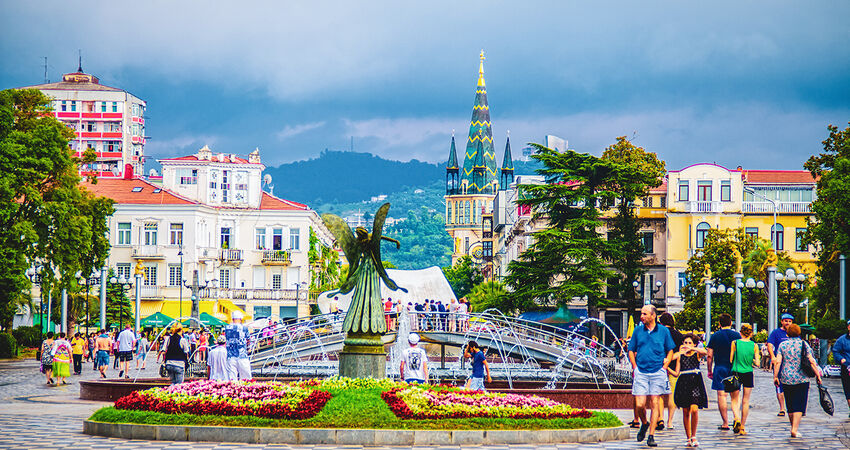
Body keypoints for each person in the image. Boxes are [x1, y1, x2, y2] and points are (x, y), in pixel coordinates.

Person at [627, 305, 675, 448]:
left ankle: (651, 435)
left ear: (653, 316)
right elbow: (631, 350)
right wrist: (634, 367)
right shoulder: (637, 331)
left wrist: (665, 365)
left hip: (657, 371)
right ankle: (644, 423)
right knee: (640, 404)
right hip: (641, 371)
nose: (642, 316)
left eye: (645, 314)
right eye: (641, 313)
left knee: (655, 402)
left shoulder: (664, 331)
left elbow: (670, 350)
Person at [774, 323, 822, 438]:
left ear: (787, 333)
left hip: (786, 378)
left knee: (790, 404)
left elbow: (778, 361)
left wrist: (775, 376)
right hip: (802, 378)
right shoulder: (804, 344)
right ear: (799, 333)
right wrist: (818, 375)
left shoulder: (783, 345)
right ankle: (794, 429)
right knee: (799, 404)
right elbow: (812, 361)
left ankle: (793, 427)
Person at [668, 333, 708, 447]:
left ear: (694, 344)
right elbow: (676, 371)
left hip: (695, 382)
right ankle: (688, 437)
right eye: (685, 342)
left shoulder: (696, 354)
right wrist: (667, 367)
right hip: (683, 383)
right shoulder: (680, 355)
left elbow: (705, 352)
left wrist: (693, 348)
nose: (687, 345)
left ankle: (694, 435)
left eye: (689, 343)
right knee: (685, 411)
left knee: (694, 409)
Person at [706, 313, 741, 431]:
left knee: (722, 396)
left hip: (720, 368)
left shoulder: (715, 336)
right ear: (731, 323)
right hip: (734, 368)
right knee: (735, 396)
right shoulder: (737, 335)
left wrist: (709, 370)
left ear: (719, 323)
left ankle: (725, 423)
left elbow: (709, 355)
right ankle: (736, 418)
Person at [729, 323, 760, 435]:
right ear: (751, 333)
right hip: (748, 373)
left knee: (734, 399)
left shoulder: (735, 343)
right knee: (745, 401)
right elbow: (757, 363)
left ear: (740, 333)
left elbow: (731, 359)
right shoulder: (754, 345)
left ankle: (736, 418)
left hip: (736, 372)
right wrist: (751, 360)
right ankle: (742, 427)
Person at [658, 312, 684, 432]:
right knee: (671, 395)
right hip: (674, 367)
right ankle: (670, 422)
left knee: (659, 394)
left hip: (660, 366)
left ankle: (660, 418)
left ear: (661, 322)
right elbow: (681, 352)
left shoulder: (659, 333)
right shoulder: (679, 335)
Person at [767, 312, 794, 416]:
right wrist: (772, 357)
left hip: (792, 364)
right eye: (786, 321)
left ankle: (792, 407)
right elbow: (770, 344)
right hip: (779, 363)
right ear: (782, 321)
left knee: (792, 385)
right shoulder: (776, 333)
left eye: (789, 321)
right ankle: (782, 408)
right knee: (779, 384)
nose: (787, 323)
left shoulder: (794, 332)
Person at [831, 319, 850, 418]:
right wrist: (841, 359)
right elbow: (835, 351)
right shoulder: (842, 340)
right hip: (846, 368)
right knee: (848, 389)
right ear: (848, 327)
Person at [225, 311, 252, 380]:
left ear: (232, 319)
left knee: (232, 378)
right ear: (240, 319)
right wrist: (248, 348)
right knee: (246, 378)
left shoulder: (226, 328)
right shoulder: (244, 328)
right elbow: (248, 339)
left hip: (230, 356)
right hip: (242, 355)